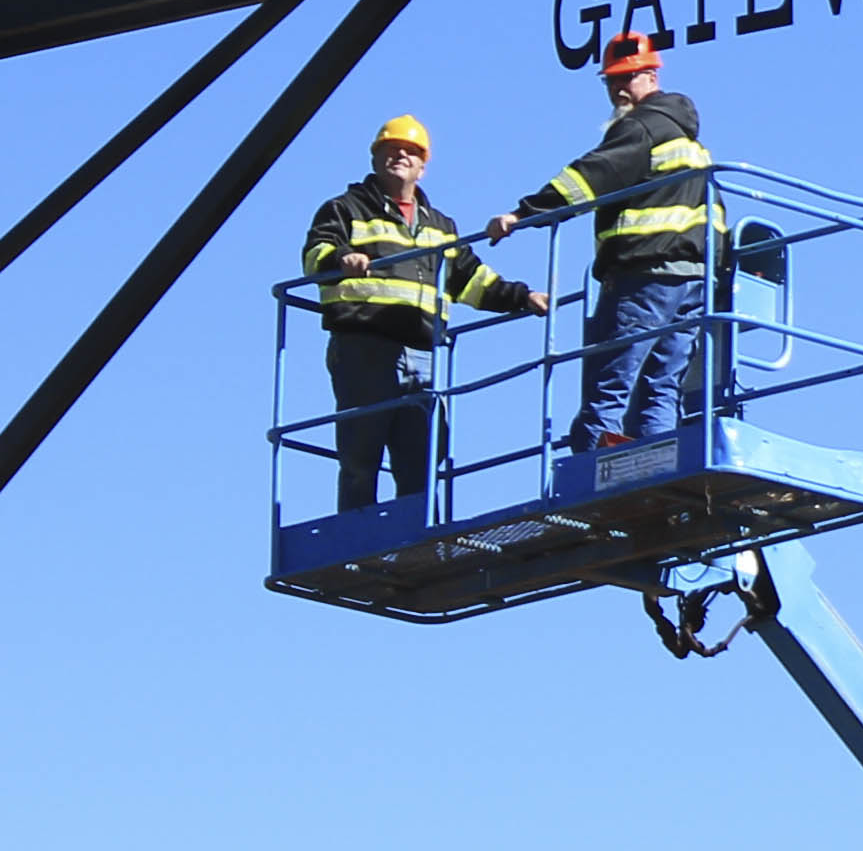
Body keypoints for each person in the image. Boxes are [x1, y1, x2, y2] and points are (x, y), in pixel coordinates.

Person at [303, 115, 545, 513]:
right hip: (364, 347)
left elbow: (470, 279)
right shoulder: (345, 209)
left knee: (424, 454)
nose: (401, 156)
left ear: (423, 166)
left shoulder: (439, 226)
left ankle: (416, 533)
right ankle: (356, 533)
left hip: (421, 352)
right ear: (375, 158)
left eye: (411, 151)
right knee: (361, 453)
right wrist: (341, 257)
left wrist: (523, 297)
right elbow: (316, 253)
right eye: (391, 149)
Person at [485, 33, 712, 452]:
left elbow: (588, 178)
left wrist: (522, 214)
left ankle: (594, 467)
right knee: (662, 387)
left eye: (627, 78)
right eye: (611, 80)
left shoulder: (641, 127)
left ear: (652, 76)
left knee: (610, 385)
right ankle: (659, 467)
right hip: (691, 282)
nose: (618, 89)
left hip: (643, 277)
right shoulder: (692, 143)